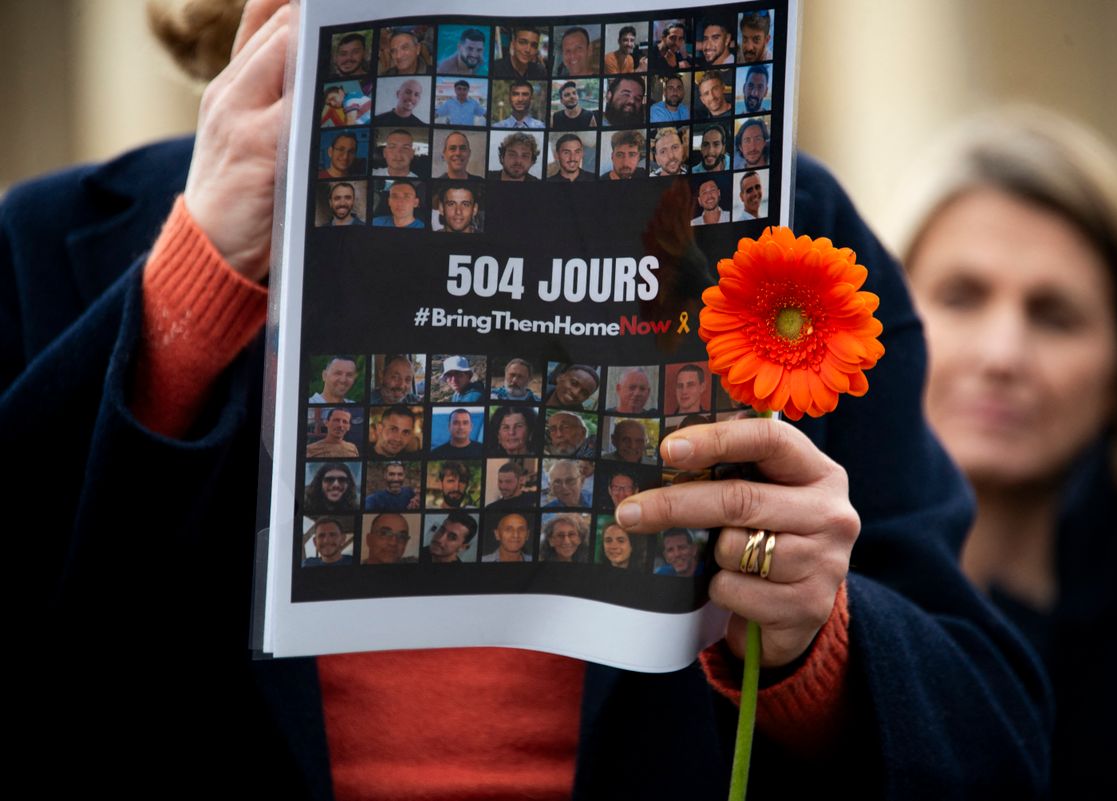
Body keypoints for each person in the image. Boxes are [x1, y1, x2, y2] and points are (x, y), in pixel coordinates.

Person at [11, 1, 1051, 790]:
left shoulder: (785, 225)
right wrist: (194, 287)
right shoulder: (46, 246)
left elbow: (992, 739)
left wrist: (815, 643)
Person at [888, 108, 1117, 799]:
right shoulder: (797, 615)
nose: (1003, 355)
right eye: (961, 297)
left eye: (1054, 315)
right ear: (883, 323)